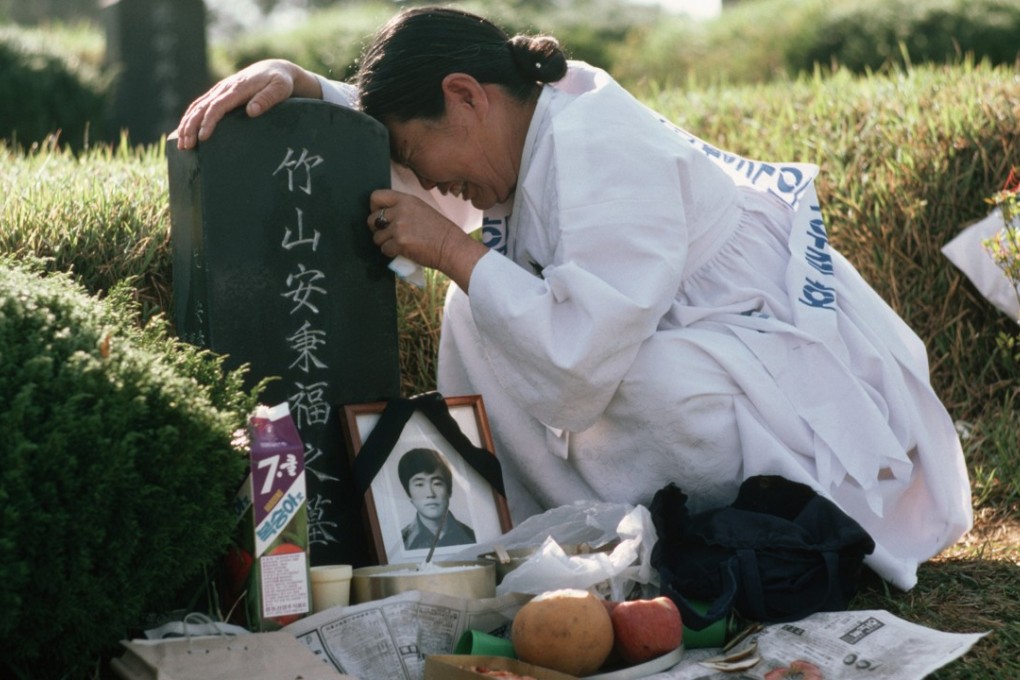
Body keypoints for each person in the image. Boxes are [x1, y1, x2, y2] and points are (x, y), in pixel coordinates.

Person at [176, 6, 972, 590]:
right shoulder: (520, 123)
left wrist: (453, 249)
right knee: (480, 307)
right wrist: (305, 84)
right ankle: (541, 539)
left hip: (774, 358)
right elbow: (411, 145)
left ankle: (656, 540)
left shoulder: (599, 146)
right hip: (676, 332)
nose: (434, 184)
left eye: (425, 159)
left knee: (651, 386)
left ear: (468, 94)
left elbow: (582, 358)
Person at [397, 447, 476, 550]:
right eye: (420, 484)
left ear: (449, 490)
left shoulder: (472, 537)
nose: (430, 493)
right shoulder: (401, 543)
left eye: (437, 483)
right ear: (409, 493)